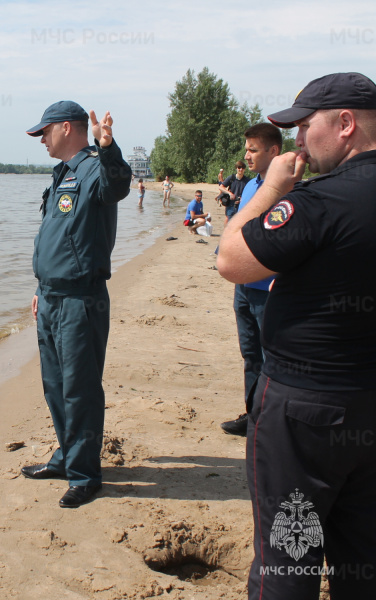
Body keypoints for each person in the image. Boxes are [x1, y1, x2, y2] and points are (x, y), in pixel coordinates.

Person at [217, 72, 376, 599]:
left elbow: (231, 260)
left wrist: (271, 188)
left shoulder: (319, 202)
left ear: (346, 124)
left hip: (305, 417)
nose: (300, 140)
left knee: (289, 562)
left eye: (307, 125)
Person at [22, 100, 131, 508]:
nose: (41, 140)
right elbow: (54, 238)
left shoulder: (94, 168)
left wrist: (108, 145)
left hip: (80, 299)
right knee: (55, 386)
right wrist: (40, 287)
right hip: (51, 297)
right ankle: (67, 457)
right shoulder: (63, 174)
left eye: (44, 132)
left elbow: (117, 185)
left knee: (79, 390)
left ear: (67, 128)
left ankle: (86, 476)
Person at [220, 124, 282, 437]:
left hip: (268, 289)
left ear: (274, 151)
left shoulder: (285, 189)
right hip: (243, 287)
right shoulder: (250, 186)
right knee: (250, 355)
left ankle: (273, 422)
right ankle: (253, 415)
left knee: (273, 357)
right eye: (247, 149)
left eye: (253, 150)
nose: (247, 155)